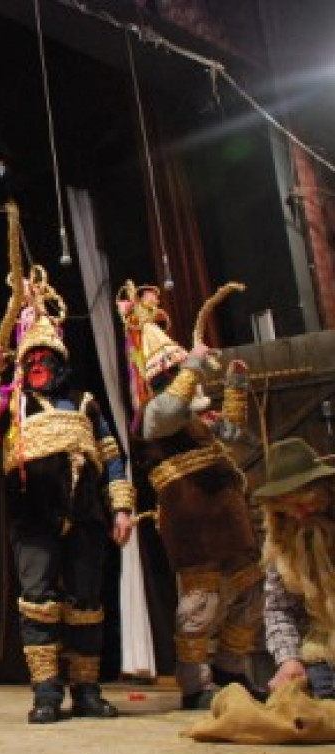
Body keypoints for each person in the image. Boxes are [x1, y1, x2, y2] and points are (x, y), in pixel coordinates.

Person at [0, 266, 134, 724]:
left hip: (85, 516)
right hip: (33, 517)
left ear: (59, 362)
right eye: (30, 357)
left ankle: (87, 690)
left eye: (45, 357)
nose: (37, 363)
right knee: (38, 601)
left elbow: (112, 458)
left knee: (86, 603)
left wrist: (121, 508)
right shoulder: (12, 403)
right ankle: (45, 691)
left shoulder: (84, 403)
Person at [116, 280, 264, 710]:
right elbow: (166, 412)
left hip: (226, 510)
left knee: (253, 589)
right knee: (201, 600)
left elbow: (234, 437)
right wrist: (194, 366)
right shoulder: (151, 414)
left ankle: (231, 668)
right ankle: (195, 682)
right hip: (190, 515)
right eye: (176, 370)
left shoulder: (195, 416)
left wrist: (235, 389)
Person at [254, 438, 335, 700]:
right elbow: (279, 608)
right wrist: (289, 659)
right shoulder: (281, 539)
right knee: (325, 696)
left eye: (305, 504)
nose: (299, 515)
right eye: (289, 507)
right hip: (323, 643)